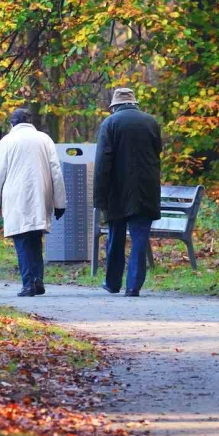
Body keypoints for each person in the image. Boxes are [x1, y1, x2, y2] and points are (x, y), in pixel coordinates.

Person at [0, 107, 67, 297]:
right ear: (30, 122)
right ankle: (37, 279)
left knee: (22, 240)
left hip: (16, 197)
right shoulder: (44, 140)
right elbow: (56, 172)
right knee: (35, 238)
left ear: (12, 123)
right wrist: (60, 202)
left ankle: (28, 284)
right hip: (41, 195)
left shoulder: (6, 142)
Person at [94, 87, 161, 297]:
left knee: (116, 237)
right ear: (134, 103)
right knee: (140, 238)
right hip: (146, 189)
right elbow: (157, 151)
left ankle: (113, 283)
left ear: (114, 106)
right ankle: (133, 286)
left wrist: (99, 196)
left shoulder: (110, 123)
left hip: (117, 191)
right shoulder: (150, 122)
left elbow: (103, 162)